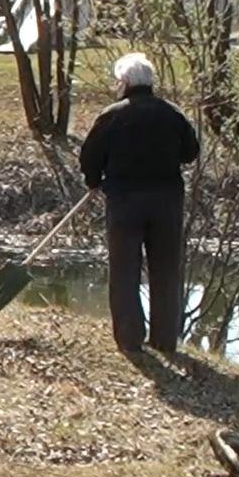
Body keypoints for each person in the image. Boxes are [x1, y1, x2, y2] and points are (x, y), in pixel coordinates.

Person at [79, 52, 200, 355]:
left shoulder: (112, 115)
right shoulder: (172, 114)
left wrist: (93, 180)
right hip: (166, 202)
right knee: (165, 270)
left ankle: (130, 339)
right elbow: (190, 152)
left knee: (124, 270)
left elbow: (90, 155)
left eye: (117, 81)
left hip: (125, 202)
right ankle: (165, 340)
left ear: (125, 82)